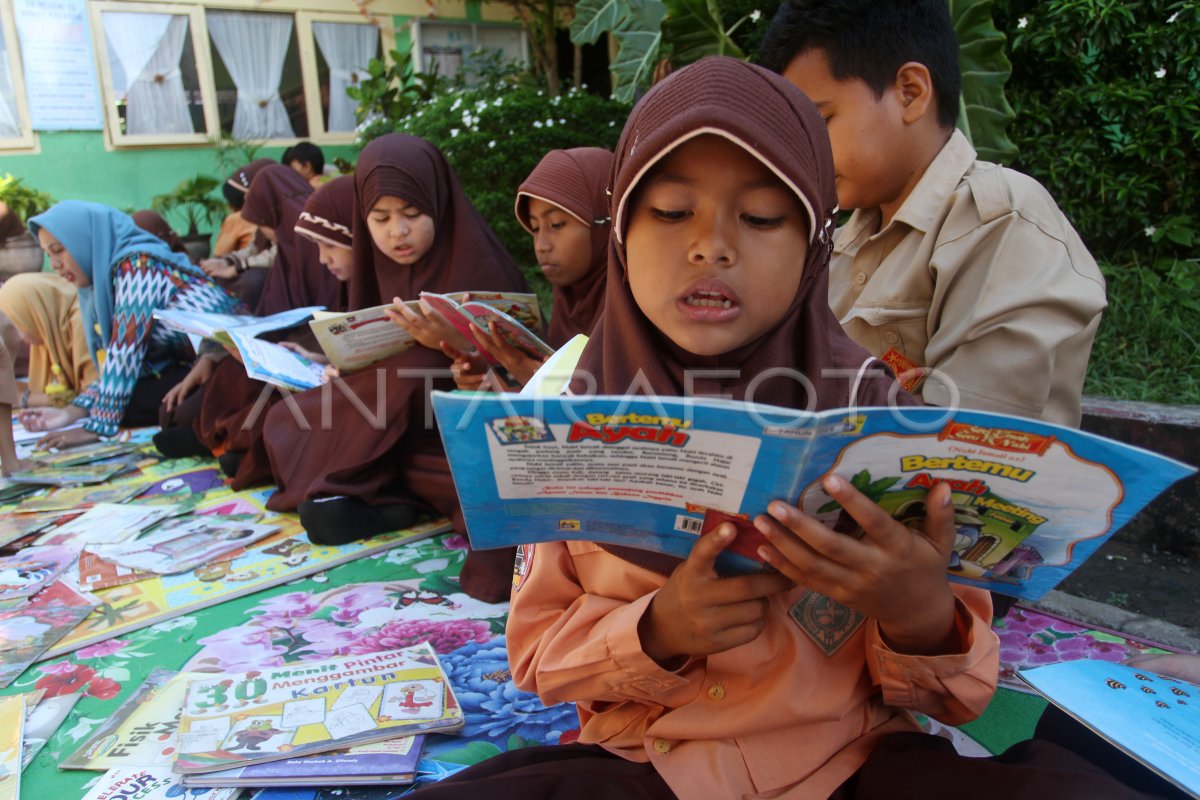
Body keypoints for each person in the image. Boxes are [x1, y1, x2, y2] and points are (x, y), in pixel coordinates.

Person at [409, 57, 1153, 800]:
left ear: (815, 246)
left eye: (763, 217)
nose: (712, 246)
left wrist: (920, 615)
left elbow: (959, 695)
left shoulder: (884, 418)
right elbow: (537, 656)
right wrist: (659, 629)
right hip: (646, 762)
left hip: (856, 763)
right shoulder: (569, 420)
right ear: (623, 237)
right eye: (670, 211)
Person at [759, 0, 1107, 428]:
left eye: (821, 120)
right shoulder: (839, 244)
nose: (804, 151)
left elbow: (969, 447)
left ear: (911, 92)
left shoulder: (998, 220)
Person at [259, 133, 529, 602]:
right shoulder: (376, 266)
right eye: (380, 219)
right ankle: (385, 496)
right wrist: (348, 367)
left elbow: (512, 373)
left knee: (420, 375)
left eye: (411, 214)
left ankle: (374, 493)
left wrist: (442, 345)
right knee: (286, 416)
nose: (396, 233)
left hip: (462, 430)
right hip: (401, 435)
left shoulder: (482, 265)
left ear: (439, 207)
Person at [20, 201, 241, 447]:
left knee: (143, 406)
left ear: (86, 239)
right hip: (196, 364)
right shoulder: (101, 283)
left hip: (234, 358)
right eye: (48, 254)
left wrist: (97, 429)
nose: (54, 264)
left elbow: (125, 352)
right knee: (135, 400)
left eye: (59, 250)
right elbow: (119, 361)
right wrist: (71, 413)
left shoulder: (138, 265)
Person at [185, 176, 356, 483]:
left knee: (276, 419)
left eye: (328, 245)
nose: (321, 257)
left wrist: (320, 356)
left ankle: (233, 444)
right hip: (307, 361)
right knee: (231, 383)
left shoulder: (319, 250)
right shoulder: (292, 253)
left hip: (336, 377)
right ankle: (224, 440)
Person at [445, 147, 613, 391]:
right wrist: (494, 374)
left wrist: (534, 379)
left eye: (556, 224)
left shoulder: (637, 310)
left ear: (604, 223)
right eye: (535, 228)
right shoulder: (570, 302)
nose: (542, 245)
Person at [0, 272, 98, 409]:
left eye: (18, 327)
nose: (19, 338)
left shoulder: (82, 321)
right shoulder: (49, 328)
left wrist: (24, 399)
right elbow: (58, 391)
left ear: (34, 313)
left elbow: (97, 393)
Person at [202, 158, 277, 309]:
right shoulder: (261, 213)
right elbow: (253, 247)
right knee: (219, 276)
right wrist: (226, 262)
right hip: (255, 263)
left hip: (277, 273)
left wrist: (237, 267)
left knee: (252, 280)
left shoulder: (287, 212)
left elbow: (280, 252)